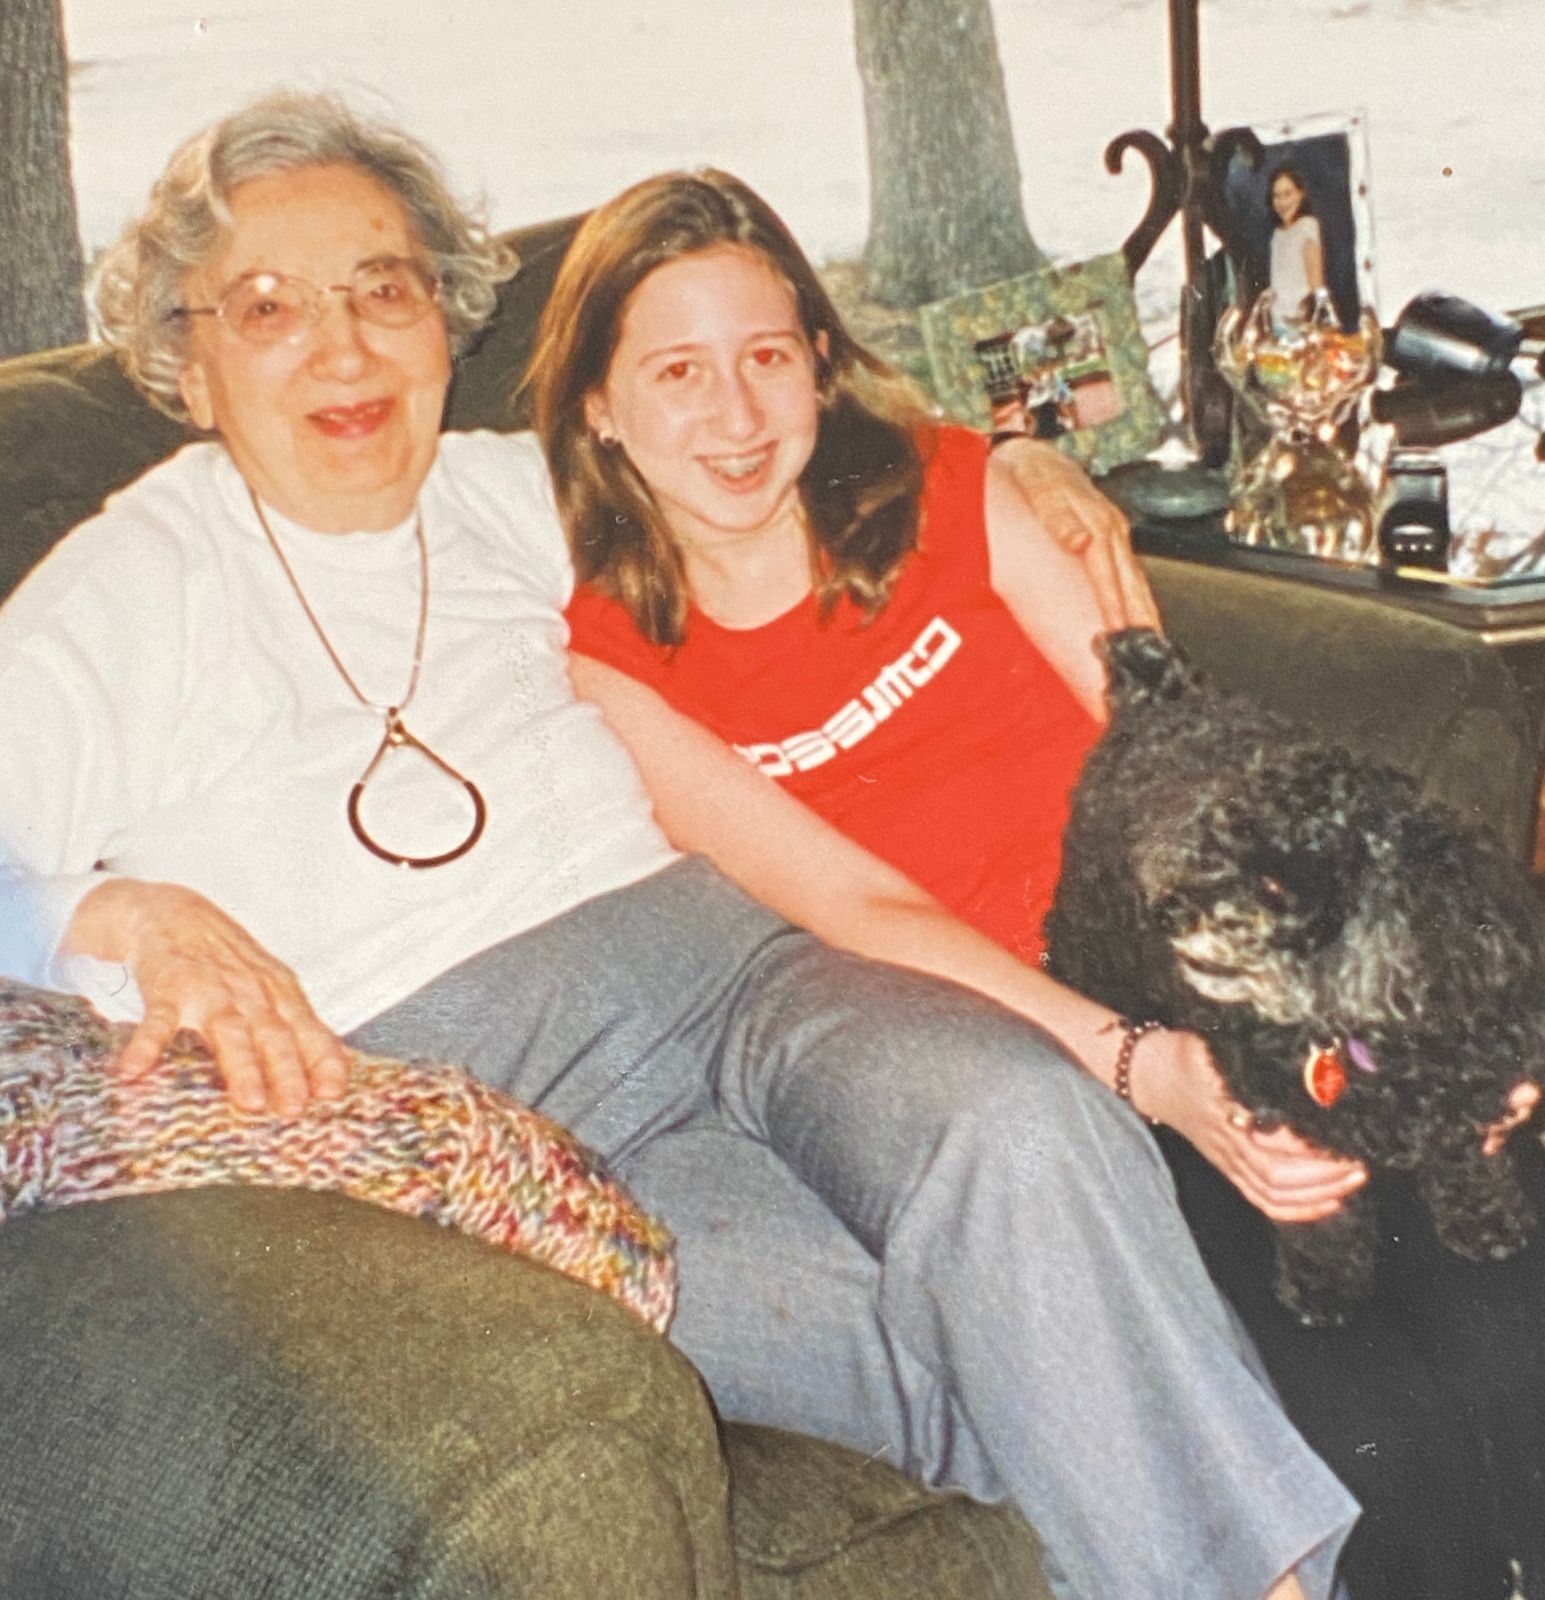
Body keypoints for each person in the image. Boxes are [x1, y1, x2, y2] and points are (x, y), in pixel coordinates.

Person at [0, 94, 1357, 1600]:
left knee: (1023, 1124)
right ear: (188, 363)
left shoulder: (524, 494)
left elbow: (783, 446)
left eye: (381, 290)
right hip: (501, 1121)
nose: (343, 349)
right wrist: (124, 915)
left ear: (447, 324)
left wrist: (1020, 456)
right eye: (266, 308)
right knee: (997, 1346)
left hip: (752, 973)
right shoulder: (129, 585)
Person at [535, 168, 1545, 1600]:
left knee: (1504, 1298)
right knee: (1356, 1418)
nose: (737, 415)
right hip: (1035, 1057)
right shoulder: (609, 661)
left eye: (767, 356)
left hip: (1206, 957)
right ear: (597, 407)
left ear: (819, 360)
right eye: (677, 372)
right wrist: (1155, 1077)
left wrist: (1411, 1002)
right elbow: (866, 915)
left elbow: (1178, 763)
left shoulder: (959, 487)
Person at [1267, 164, 1325, 324]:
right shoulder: (1277, 234)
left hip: (1301, 321)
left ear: (1301, 194)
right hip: (1277, 320)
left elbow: (1316, 282)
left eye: (1288, 194)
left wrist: (1313, 318)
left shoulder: (1307, 226)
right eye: (1277, 196)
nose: (1282, 202)